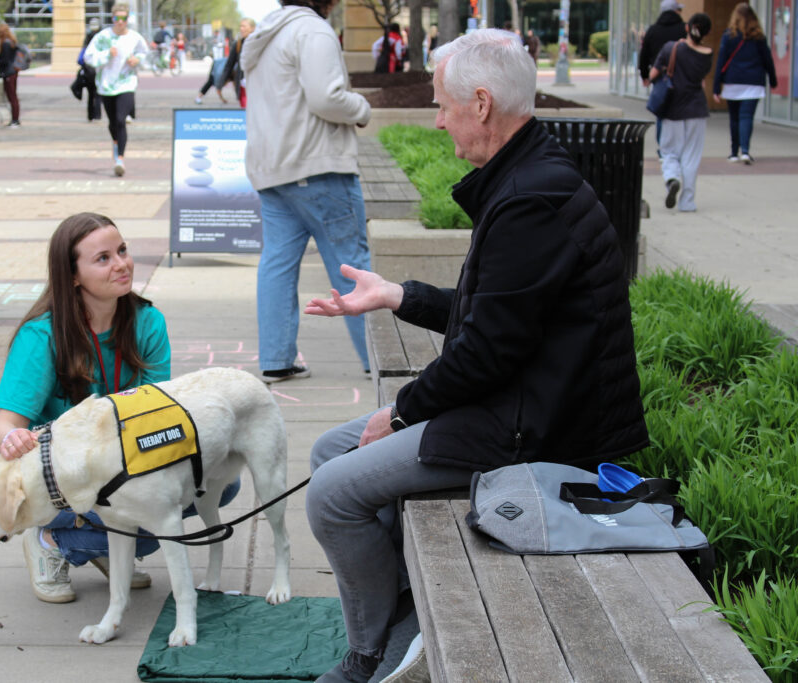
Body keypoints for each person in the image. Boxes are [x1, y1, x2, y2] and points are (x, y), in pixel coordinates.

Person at [302, 29, 649, 682]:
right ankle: (397, 616)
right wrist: (398, 295)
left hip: (536, 430)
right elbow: (492, 311)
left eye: (442, 105)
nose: (437, 121)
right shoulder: (527, 176)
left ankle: (370, 657)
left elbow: (486, 350)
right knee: (329, 452)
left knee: (330, 494)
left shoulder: (531, 197)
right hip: (515, 403)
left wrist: (401, 412)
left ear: (481, 103)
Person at [0, 212, 240, 603]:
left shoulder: (148, 322)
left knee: (220, 481)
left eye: (122, 250)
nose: (122, 264)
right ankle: (51, 540)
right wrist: (11, 440)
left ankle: (102, 545)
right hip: (64, 482)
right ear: (72, 275)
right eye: (103, 258)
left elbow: (157, 416)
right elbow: (5, 423)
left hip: (122, 465)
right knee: (144, 511)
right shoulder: (41, 335)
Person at [241, 0, 373, 383]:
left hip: (273, 170)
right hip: (318, 165)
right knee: (351, 265)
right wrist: (362, 108)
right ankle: (376, 359)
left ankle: (276, 359)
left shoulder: (265, 36)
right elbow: (326, 97)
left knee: (277, 266)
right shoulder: (312, 31)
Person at [651, 13, 713, 212]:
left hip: (673, 108)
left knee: (669, 151)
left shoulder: (671, 48)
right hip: (697, 109)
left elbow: (653, 74)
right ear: (706, 32)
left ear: (687, 27)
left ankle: (671, 178)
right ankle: (687, 201)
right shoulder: (708, 54)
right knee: (691, 156)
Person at [84, 4, 148, 177]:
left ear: (128, 20)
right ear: (112, 19)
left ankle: (120, 158)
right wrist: (106, 54)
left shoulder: (135, 37)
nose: (120, 22)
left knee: (121, 119)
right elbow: (88, 57)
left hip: (126, 83)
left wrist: (137, 59)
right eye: (116, 18)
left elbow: (145, 52)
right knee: (113, 122)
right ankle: (115, 143)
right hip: (106, 85)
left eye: (124, 19)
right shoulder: (103, 37)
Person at [713, 3, 777, 165]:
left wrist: (716, 87)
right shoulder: (759, 37)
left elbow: (721, 62)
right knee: (746, 117)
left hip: (733, 82)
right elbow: (768, 60)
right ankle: (746, 151)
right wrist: (773, 79)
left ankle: (734, 152)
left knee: (734, 118)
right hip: (753, 83)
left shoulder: (729, 36)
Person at [638, 0, 687, 151]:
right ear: (675, 11)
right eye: (679, 9)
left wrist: (645, 75)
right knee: (681, 111)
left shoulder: (653, 30)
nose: (680, 12)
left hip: (660, 76)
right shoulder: (683, 29)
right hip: (682, 76)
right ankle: (678, 145)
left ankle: (662, 146)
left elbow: (644, 54)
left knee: (662, 109)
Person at [72, 17, 103, 121]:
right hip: (94, 68)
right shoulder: (100, 36)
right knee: (96, 93)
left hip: (91, 68)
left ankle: (92, 115)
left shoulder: (91, 36)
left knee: (92, 94)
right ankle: (96, 115)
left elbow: (83, 53)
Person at [220, 18, 255, 107]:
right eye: (240, 26)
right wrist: (221, 82)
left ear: (252, 28)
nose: (241, 29)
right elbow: (229, 64)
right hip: (242, 85)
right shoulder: (238, 44)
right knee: (245, 111)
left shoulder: (258, 43)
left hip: (256, 85)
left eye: (244, 26)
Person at [0, 23, 21, 127]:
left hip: (8, 72)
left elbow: (5, 60)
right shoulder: (12, 42)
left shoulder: (5, 44)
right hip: (13, 72)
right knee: (13, 96)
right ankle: (15, 118)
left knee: (12, 96)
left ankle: (15, 119)